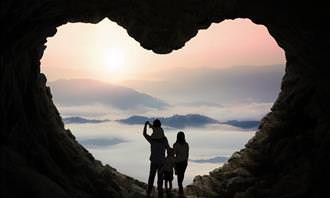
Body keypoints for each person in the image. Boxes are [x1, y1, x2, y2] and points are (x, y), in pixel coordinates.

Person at [143, 119, 169, 197]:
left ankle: (148, 192)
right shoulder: (164, 139)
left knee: (151, 177)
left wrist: (145, 125)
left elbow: (144, 134)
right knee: (160, 179)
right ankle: (160, 194)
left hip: (154, 160)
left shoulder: (152, 139)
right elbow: (168, 148)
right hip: (161, 161)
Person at [173, 131, 189, 195]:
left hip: (178, 163)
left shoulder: (176, 144)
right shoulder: (186, 144)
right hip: (184, 163)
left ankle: (181, 192)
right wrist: (186, 161)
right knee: (181, 177)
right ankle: (181, 191)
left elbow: (173, 153)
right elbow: (187, 154)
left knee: (179, 179)